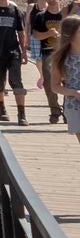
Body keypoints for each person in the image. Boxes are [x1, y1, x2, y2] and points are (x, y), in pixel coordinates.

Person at [32, 0, 65, 124]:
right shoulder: (41, 16)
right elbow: (36, 35)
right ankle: (55, 111)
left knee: (69, 82)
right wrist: (48, 33)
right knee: (50, 82)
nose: (51, 1)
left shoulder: (66, 15)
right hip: (48, 52)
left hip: (66, 52)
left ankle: (68, 110)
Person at [50, 14, 80, 145]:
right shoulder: (60, 57)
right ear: (71, 34)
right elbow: (55, 86)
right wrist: (74, 93)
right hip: (74, 106)